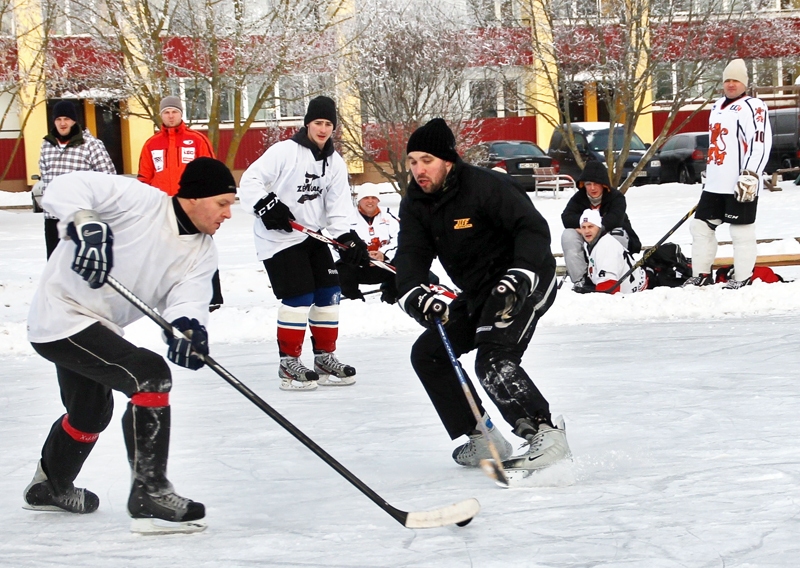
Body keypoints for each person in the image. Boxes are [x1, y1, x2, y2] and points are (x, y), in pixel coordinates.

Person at [23, 157, 237, 534]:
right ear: (194, 197)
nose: (228, 214)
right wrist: (84, 221)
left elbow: (188, 300)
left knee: (90, 414)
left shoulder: (202, 251)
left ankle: (49, 486)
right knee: (149, 375)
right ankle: (149, 492)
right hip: (61, 314)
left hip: (100, 326)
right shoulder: (138, 200)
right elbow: (63, 188)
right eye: (222, 203)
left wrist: (188, 328)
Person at [395, 118, 570, 481]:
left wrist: (521, 273)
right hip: (478, 292)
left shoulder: (486, 186)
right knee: (429, 354)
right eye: (412, 161)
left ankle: (544, 432)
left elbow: (532, 229)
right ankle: (484, 437)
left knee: (492, 356)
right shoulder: (415, 202)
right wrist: (413, 295)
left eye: (426, 160)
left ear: (447, 160)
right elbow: (411, 255)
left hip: (523, 280)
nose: (418, 169)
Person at [239, 96, 370, 391]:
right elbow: (250, 180)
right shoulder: (285, 151)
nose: (323, 129)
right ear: (307, 123)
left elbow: (337, 205)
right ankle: (288, 364)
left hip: (311, 235)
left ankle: (324, 358)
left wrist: (346, 236)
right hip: (278, 237)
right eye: (318, 123)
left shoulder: (334, 162)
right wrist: (265, 205)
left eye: (328, 124)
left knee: (329, 293)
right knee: (299, 296)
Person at [685, 58, 772, 289]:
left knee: (741, 230)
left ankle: (742, 278)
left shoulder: (754, 106)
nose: (731, 84)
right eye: (727, 80)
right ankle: (701, 274)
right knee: (700, 227)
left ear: (744, 83)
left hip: (740, 182)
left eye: (736, 80)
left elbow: (760, 142)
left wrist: (751, 174)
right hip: (715, 183)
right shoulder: (717, 106)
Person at [138, 95, 223, 309]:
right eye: (166, 112)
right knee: (163, 252)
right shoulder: (152, 144)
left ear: (180, 113)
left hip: (193, 207)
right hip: (164, 207)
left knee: (202, 249)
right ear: (161, 116)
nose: (170, 115)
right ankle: (166, 294)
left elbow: (211, 172)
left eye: (174, 111)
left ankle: (212, 296)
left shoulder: (197, 140)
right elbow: (144, 178)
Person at [38, 100, 116, 258]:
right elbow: (45, 176)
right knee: (55, 263)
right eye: (58, 119)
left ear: (74, 120)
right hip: (53, 217)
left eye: (66, 119)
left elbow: (108, 177)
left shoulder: (91, 145)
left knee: (80, 263)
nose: (62, 123)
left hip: (80, 216)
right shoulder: (47, 145)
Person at [560, 161, 641, 293]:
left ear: (604, 185)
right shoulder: (578, 198)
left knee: (616, 235)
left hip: (615, 237)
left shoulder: (616, 197)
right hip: (588, 238)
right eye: (588, 184)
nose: (592, 188)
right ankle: (580, 281)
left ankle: (613, 278)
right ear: (583, 185)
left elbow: (615, 219)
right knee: (568, 235)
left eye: (596, 184)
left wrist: (594, 227)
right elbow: (566, 217)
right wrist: (584, 226)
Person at [336, 185, 401, 304]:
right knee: (342, 267)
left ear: (378, 200)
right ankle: (354, 301)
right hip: (359, 266)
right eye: (366, 197)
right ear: (359, 200)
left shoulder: (389, 215)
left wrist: (384, 253)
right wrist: (360, 255)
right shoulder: (347, 217)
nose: (370, 201)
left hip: (384, 265)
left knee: (405, 261)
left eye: (373, 197)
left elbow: (400, 237)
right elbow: (338, 242)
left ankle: (392, 295)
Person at [579, 209, 648, 294]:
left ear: (599, 227)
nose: (587, 231)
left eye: (591, 226)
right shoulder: (593, 242)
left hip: (634, 294)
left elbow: (608, 288)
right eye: (583, 227)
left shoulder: (605, 247)